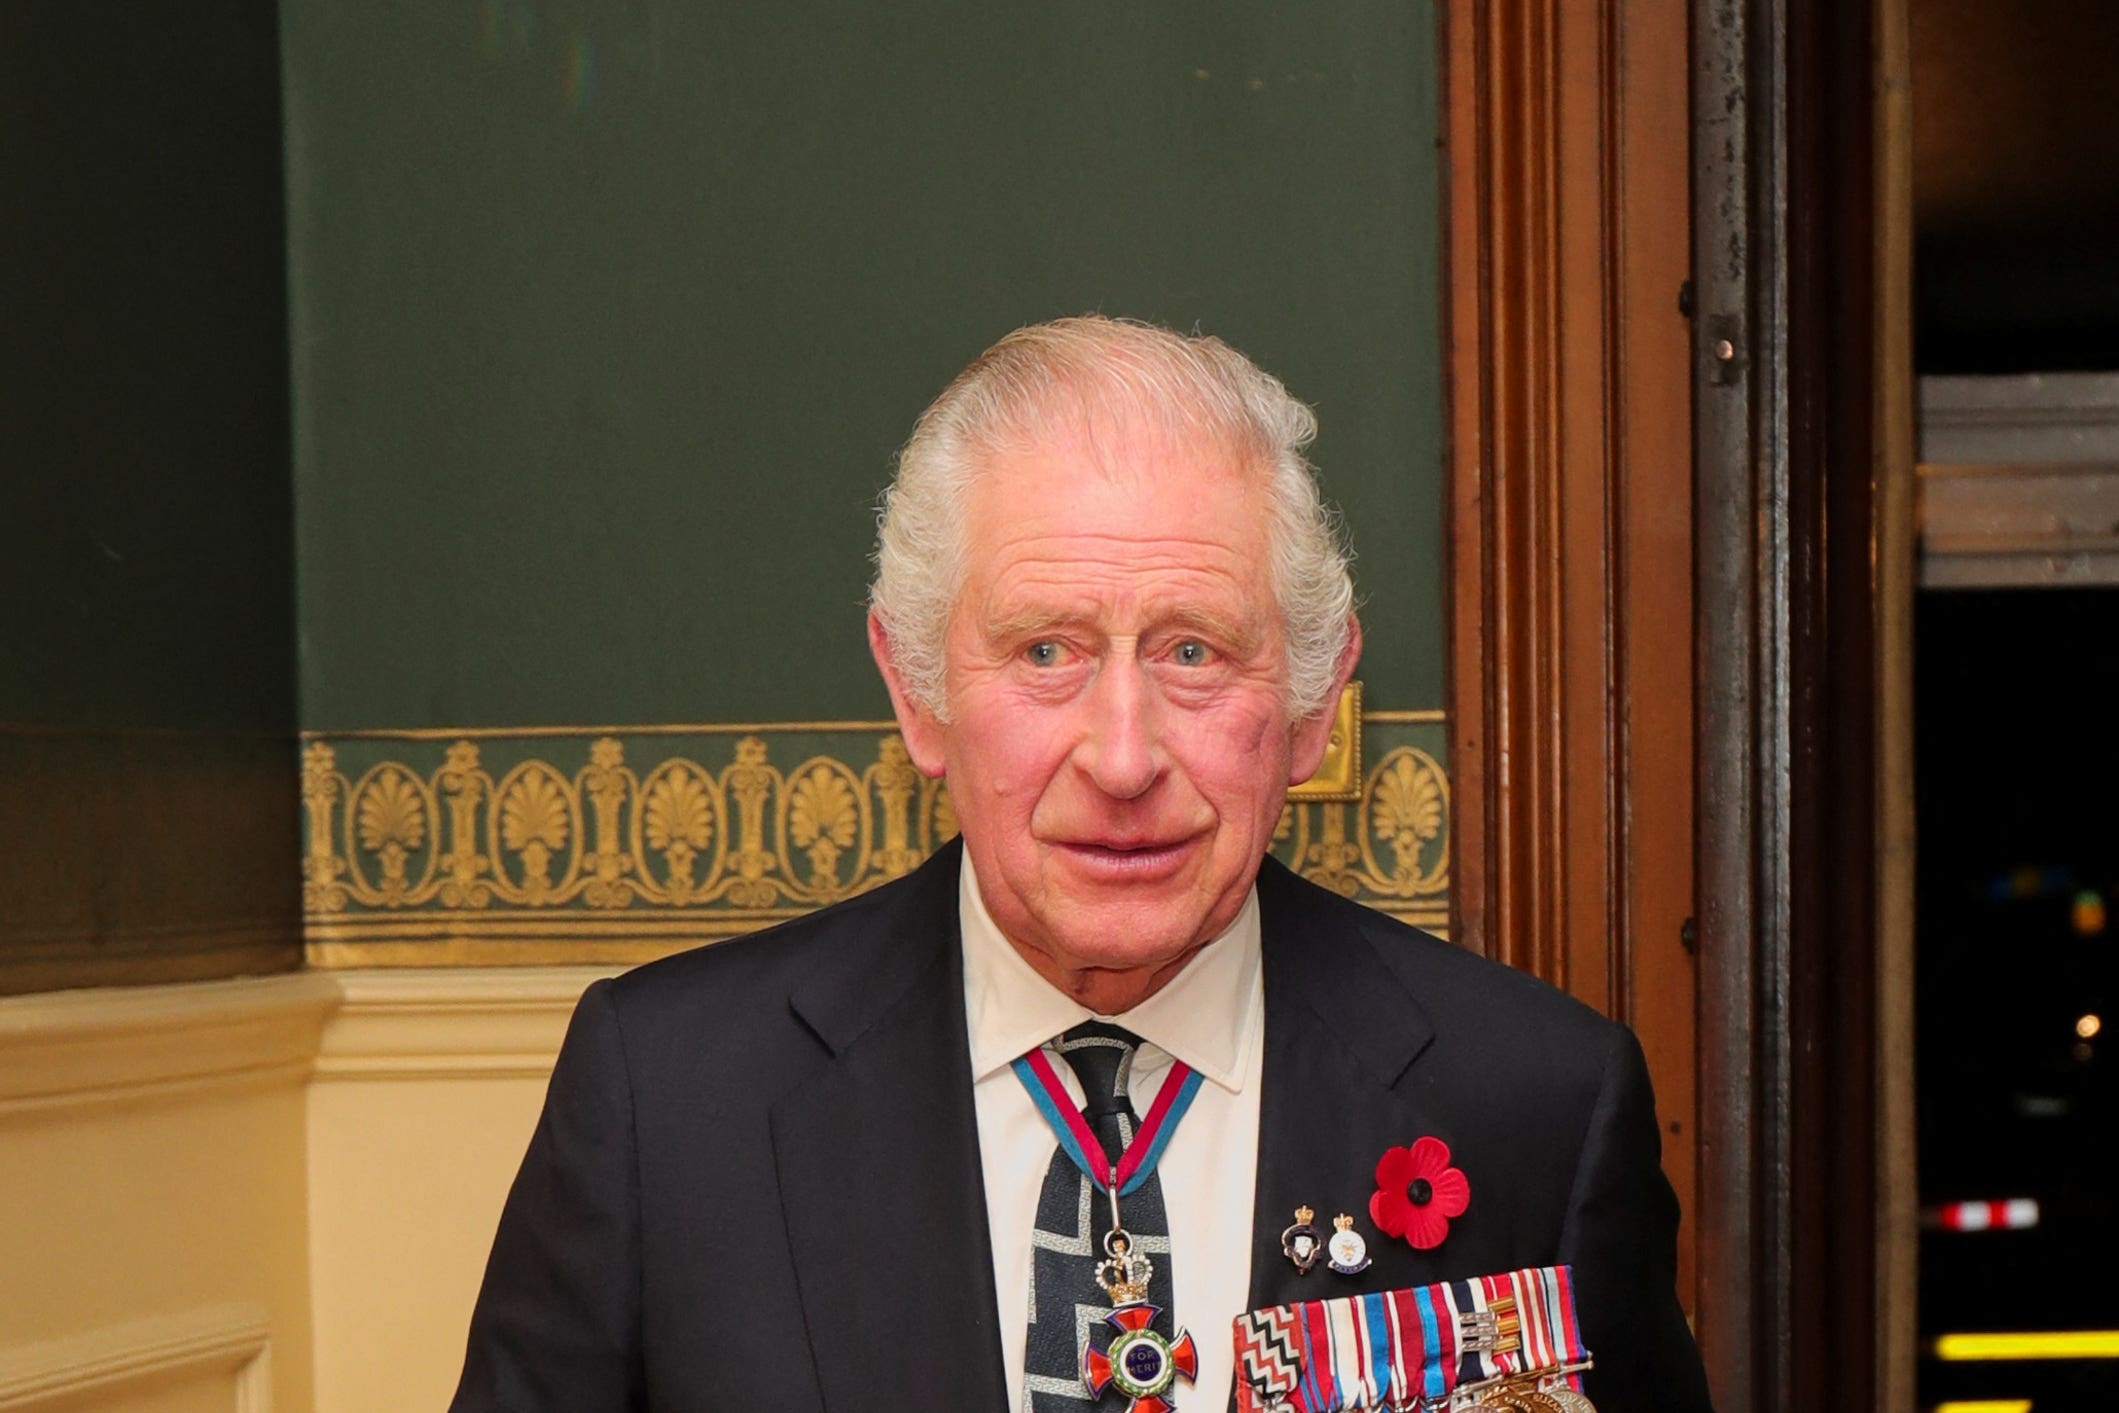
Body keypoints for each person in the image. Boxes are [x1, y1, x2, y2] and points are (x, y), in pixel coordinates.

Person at [449, 317, 1713, 1412]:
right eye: (1046, 651)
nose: (1121, 756)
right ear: (919, 694)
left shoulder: (1537, 1107)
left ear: (1316, 704)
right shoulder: (667, 1101)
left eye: (1194, 652)